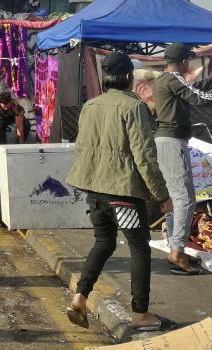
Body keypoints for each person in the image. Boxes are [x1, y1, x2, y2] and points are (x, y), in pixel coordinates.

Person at [64, 52, 173, 332]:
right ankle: (140, 314)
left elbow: (82, 147)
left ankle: (79, 297)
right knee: (139, 248)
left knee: (104, 242)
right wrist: (161, 194)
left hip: (94, 190)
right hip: (122, 193)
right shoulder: (133, 107)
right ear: (128, 78)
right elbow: (145, 156)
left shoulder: (90, 106)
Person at [153, 43, 212, 275]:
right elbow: (200, 98)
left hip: (166, 141)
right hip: (172, 142)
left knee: (174, 198)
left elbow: (193, 89)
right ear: (185, 61)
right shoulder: (174, 79)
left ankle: (174, 246)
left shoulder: (166, 80)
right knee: (185, 199)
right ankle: (177, 251)